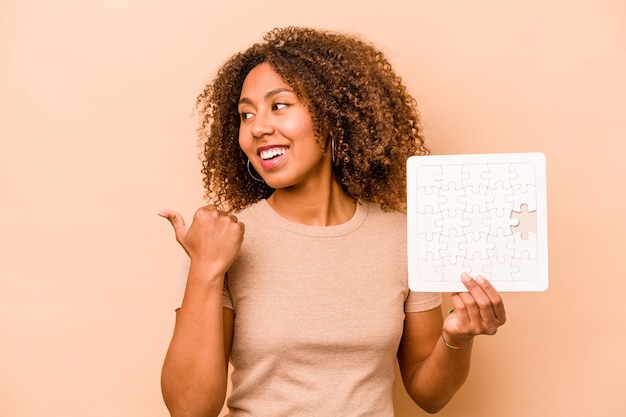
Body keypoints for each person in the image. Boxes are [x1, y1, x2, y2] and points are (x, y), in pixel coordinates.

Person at [158, 26, 506, 417]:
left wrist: (458, 337)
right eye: (245, 114)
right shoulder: (217, 241)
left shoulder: (402, 238)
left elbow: (430, 395)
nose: (257, 127)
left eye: (279, 105)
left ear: (332, 113)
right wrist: (206, 267)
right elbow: (189, 410)